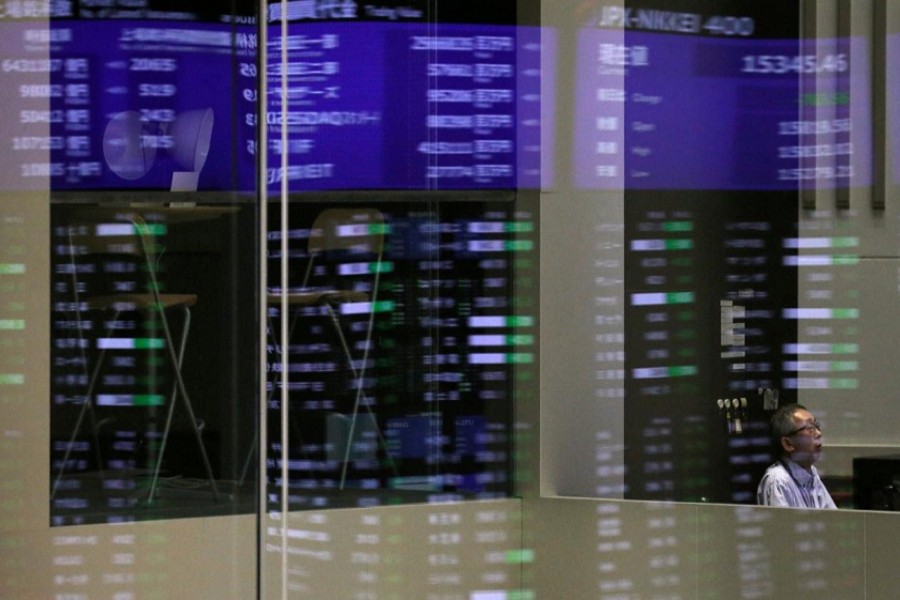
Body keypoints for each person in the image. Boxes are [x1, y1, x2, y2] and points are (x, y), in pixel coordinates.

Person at [756, 403, 836, 509]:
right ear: (788, 444)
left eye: (817, 426)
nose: (818, 433)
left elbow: (831, 518)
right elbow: (782, 525)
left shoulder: (811, 473)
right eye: (810, 428)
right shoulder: (778, 480)